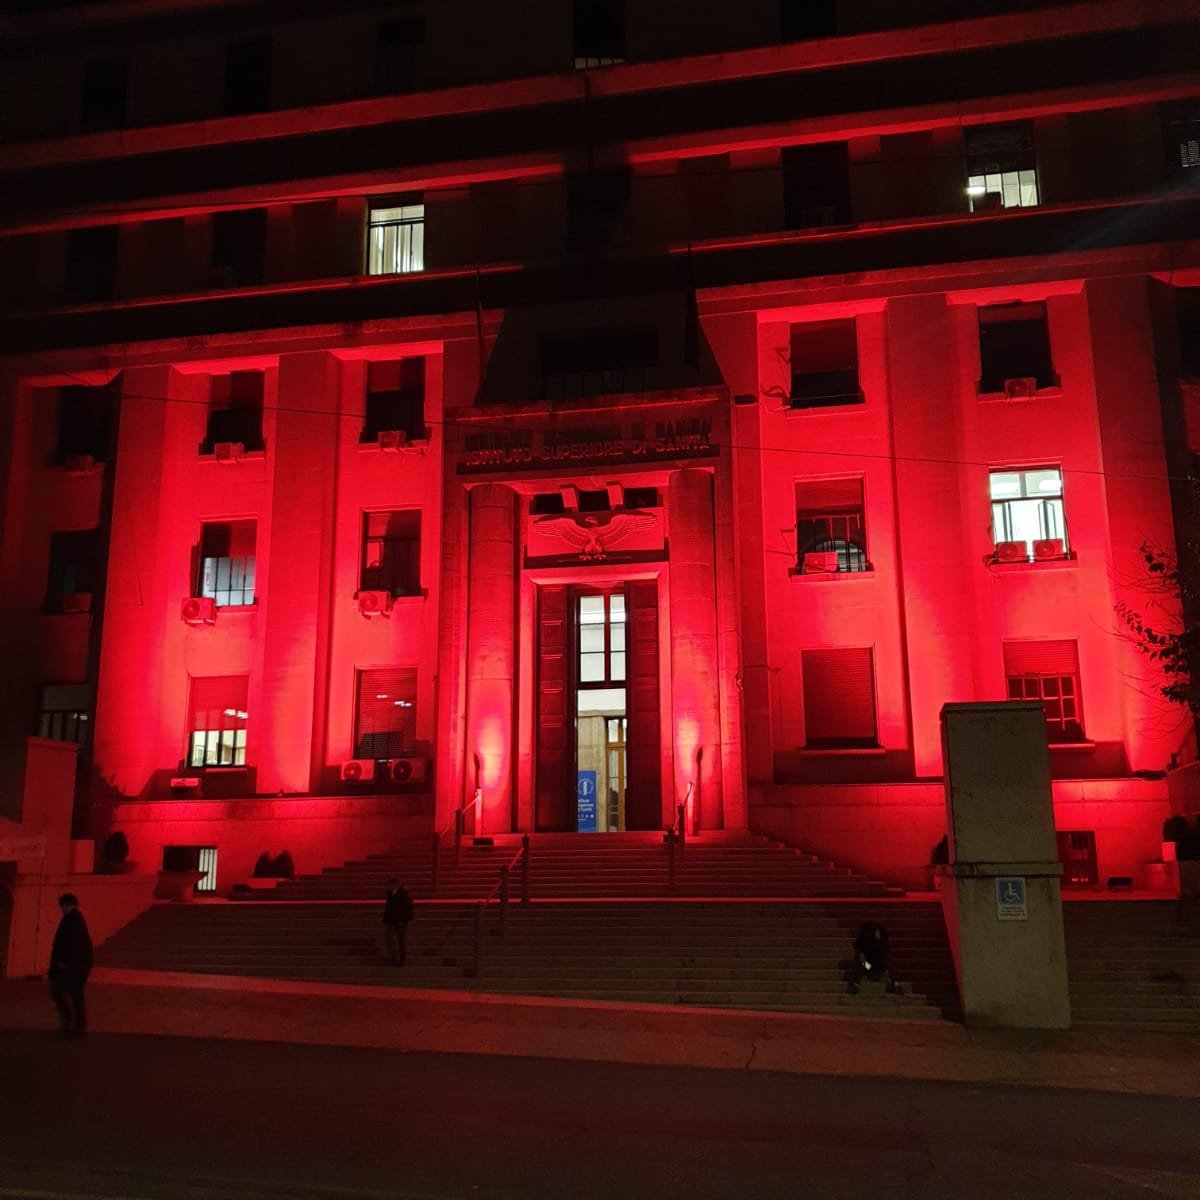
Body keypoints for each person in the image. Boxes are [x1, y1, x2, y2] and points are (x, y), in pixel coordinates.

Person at [49, 893, 93, 1036]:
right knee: (71, 995)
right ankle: (73, 1025)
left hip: (73, 966)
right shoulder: (71, 919)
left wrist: (65, 963)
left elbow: (75, 945)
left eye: (65, 906)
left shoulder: (74, 921)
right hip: (73, 965)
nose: (63, 908)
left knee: (71, 995)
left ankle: (74, 1026)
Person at [846, 920, 901, 996]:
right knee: (860, 961)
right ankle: (854, 984)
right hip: (869, 966)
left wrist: (879, 940)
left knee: (888, 959)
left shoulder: (881, 937)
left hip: (880, 966)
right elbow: (857, 949)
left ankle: (895, 983)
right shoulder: (863, 937)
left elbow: (886, 951)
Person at [382, 878, 414, 966]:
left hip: (401, 921)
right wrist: (385, 919)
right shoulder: (390, 894)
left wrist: (407, 919)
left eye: (391, 885)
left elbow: (408, 907)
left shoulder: (403, 894)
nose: (389, 887)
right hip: (391, 921)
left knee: (401, 941)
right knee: (390, 940)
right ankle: (393, 958)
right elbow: (388, 908)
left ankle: (402, 959)